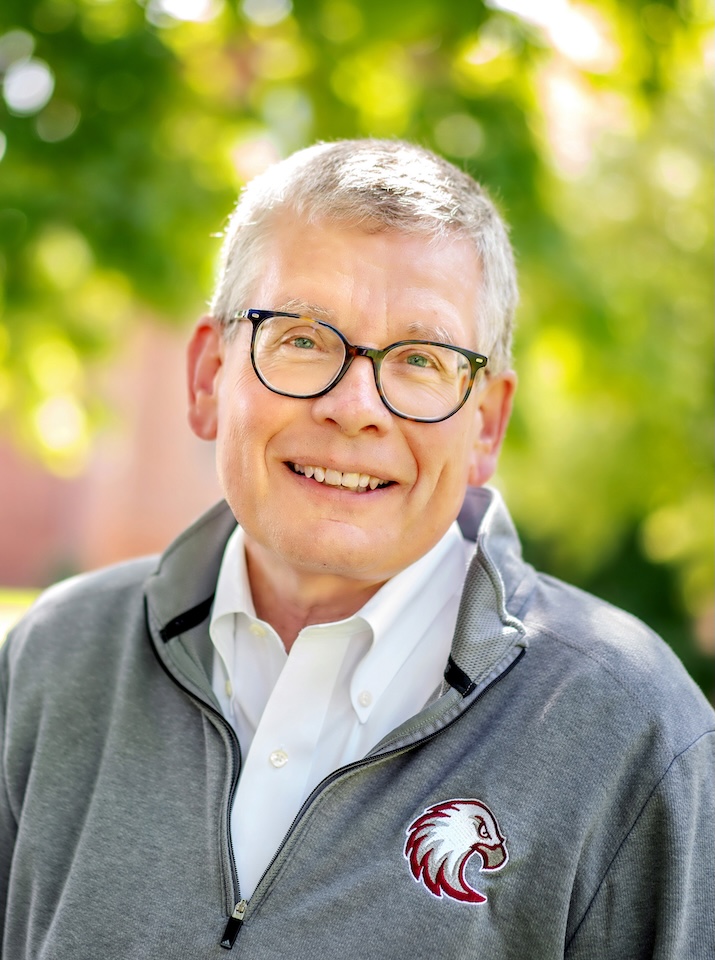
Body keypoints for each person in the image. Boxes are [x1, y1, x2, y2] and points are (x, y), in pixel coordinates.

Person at [0, 139, 713, 960]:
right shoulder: (55, 662)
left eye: (420, 359)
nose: (353, 406)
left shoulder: (630, 732)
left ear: (485, 424)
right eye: (301, 337)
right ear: (208, 377)